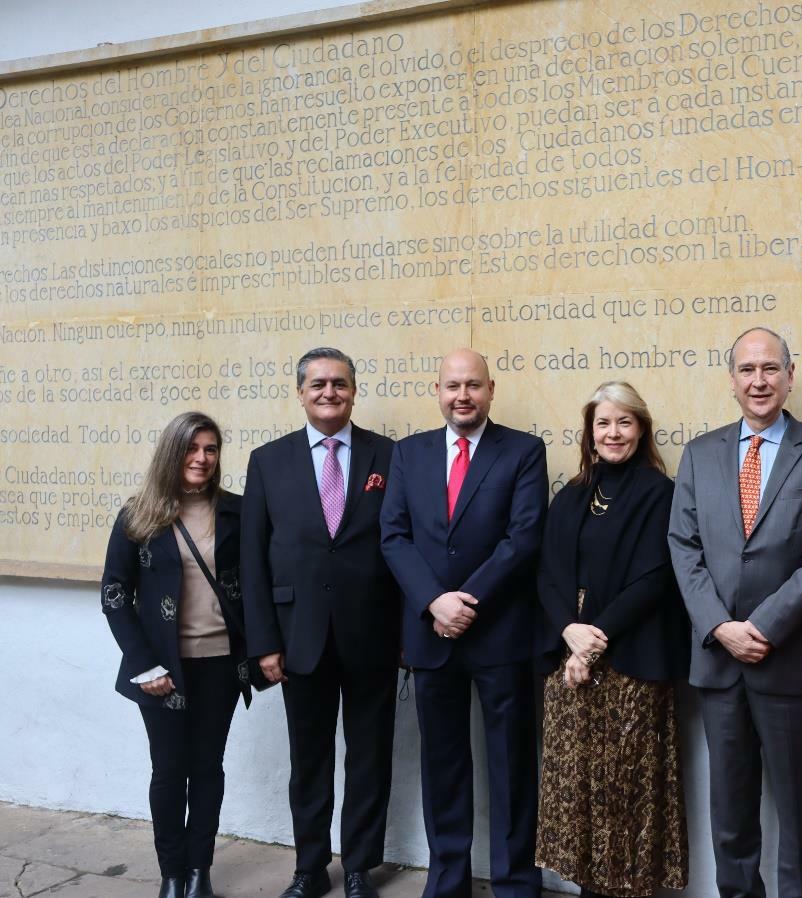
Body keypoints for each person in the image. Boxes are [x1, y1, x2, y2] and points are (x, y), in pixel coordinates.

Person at [668, 326, 802, 898]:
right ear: (731, 380)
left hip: (792, 663)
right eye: (747, 370)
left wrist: (765, 626)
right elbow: (684, 546)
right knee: (730, 813)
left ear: (790, 376)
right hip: (720, 665)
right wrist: (720, 626)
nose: (759, 380)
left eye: (770, 368)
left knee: (800, 815)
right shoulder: (700, 455)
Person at [380, 348, 548, 898]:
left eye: (473, 385)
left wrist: (465, 602)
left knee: (511, 766)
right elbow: (394, 536)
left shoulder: (523, 451)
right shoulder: (409, 453)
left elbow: (522, 538)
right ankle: (448, 880)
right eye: (452, 386)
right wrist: (434, 602)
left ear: (491, 389)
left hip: (500, 633)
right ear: (438, 391)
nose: (462, 396)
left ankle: (515, 882)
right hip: (431, 635)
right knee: (443, 765)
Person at [241, 347, 400, 898]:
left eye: (339, 383)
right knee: (308, 759)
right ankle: (310, 867)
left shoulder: (389, 455)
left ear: (353, 391)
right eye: (318, 384)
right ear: (301, 393)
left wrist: (405, 634)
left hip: (372, 635)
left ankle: (359, 867)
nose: (329, 392)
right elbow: (253, 560)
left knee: (370, 756)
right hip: (297, 638)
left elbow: (403, 544)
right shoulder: (268, 461)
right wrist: (264, 642)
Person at [535, 381, 690, 898]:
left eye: (624, 421)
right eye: (603, 423)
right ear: (590, 432)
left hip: (631, 663)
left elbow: (655, 577)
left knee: (625, 791)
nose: (613, 432)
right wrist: (569, 633)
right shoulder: (572, 495)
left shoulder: (660, 493)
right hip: (570, 663)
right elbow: (546, 574)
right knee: (578, 792)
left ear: (641, 429)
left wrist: (592, 642)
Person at [101, 411, 254, 898]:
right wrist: (144, 665)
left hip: (221, 665)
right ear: (173, 452)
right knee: (169, 771)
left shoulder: (237, 512)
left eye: (210, 449)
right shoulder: (139, 515)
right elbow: (114, 594)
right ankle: (172, 873)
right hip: (162, 670)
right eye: (191, 448)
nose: (201, 458)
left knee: (208, 769)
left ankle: (198, 873)